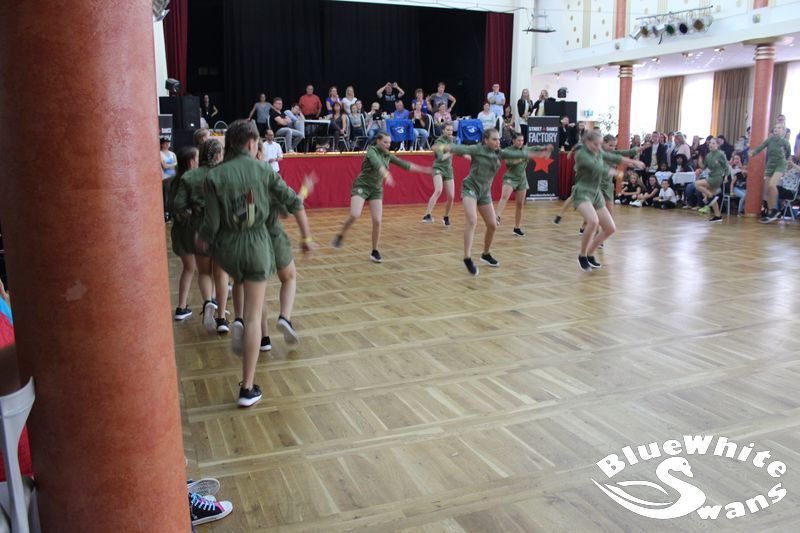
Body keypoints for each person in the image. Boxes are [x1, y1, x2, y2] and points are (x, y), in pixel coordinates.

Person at [199, 119, 311, 407]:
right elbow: (292, 202)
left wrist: (203, 240)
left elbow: (211, 226)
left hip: (227, 249)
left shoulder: (214, 176)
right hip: (256, 245)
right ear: (251, 143)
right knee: (254, 316)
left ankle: (233, 318)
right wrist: (306, 237)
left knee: (238, 284)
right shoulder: (263, 170)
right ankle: (247, 388)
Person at [435, 129, 547, 276]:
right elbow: (459, 148)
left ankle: (486, 254)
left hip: (484, 192)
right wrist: (442, 146)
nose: (497, 142)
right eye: (494, 139)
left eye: (498, 139)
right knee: (472, 220)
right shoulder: (477, 149)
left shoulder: (500, 153)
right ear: (486, 140)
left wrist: (538, 153)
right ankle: (467, 258)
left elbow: (517, 154)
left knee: (493, 225)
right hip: (470, 188)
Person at [253, 143, 316, 352]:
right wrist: (306, 239)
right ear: (259, 153)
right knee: (289, 278)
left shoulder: (233, 175)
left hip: (250, 238)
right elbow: (290, 208)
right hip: (273, 234)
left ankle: (264, 339)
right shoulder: (269, 176)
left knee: (259, 289)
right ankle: (284, 317)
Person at [331, 133, 432, 262]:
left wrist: (425, 170)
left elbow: (405, 165)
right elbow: (378, 164)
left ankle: (375, 251)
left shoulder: (387, 155)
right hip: (362, 186)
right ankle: (341, 235)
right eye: (385, 142)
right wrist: (386, 175)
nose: (388, 145)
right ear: (378, 141)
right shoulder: (371, 151)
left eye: (389, 143)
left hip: (376, 190)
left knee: (377, 221)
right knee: (355, 214)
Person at [570, 130, 644, 271]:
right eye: (595, 144)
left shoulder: (598, 151)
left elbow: (615, 157)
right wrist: (615, 172)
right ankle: (582, 255)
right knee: (593, 222)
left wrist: (633, 161)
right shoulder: (582, 154)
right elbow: (597, 167)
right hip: (582, 192)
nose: (598, 147)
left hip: (595, 193)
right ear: (587, 142)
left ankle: (590, 253)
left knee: (610, 228)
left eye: (599, 144)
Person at [183, 138, 224, 331]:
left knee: (204, 272)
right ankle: (222, 318)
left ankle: (208, 301)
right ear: (218, 154)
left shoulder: (189, 176)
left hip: (199, 229)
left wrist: (191, 213)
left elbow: (177, 204)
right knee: (221, 274)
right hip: (222, 229)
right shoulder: (224, 174)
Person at [495, 132, 552, 236]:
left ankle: (517, 228)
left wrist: (545, 147)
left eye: (522, 140)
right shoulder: (508, 151)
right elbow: (510, 163)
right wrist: (523, 158)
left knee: (520, 204)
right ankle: (497, 216)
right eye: (518, 140)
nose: (521, 142)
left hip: (522, 179)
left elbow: (536, 148)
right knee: (504, 197)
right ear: (513, 141)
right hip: (510, 178)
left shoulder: (526, 149)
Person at [168, 146, 200, 320]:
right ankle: (214, 305)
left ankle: (181, 307)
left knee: (189, 268)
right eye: (197, 158)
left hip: (179, 230)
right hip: (191, 229)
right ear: (191, 162)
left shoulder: (173, 180)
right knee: (206, 270)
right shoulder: (192, 180)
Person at [749, 124, 792, 222]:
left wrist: (784, 160)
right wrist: (753, 153)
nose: (777, 129)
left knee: (772, 185)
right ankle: (770, 212)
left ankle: (776, 209)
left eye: (779, 128)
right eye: (776, 127)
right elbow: (761, 147)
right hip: (770, 165)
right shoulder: (770, 139)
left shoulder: (785, 142)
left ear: (784, 132)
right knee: (768, 189)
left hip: (780, 164)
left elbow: (788, 153)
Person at [422, 124, 457, 226]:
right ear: (443, 131)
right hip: (438, 168)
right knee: (438, 190)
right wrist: (451, 153)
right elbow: (441, 158)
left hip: (448, 169)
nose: (450, 132)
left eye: (451, 130)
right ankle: (427, 215)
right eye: (448, 130)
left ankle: (446, 217)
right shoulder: (439, 142)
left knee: (451, 196)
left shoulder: (451, 141)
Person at [694, 137, 732, 223]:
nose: (711, 145)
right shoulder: (708, 155)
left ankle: (710, 196)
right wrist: (699, 169)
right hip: (711, 177)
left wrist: (726, 176)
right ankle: (718, 216)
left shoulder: (721, 154)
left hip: (717, 178)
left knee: (697, 184)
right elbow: (704, 167)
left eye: (713, 143)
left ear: (718, 145)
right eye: (710, 143)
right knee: (713, 199)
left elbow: (726, 166)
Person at [160, 137, 176, 222]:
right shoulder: (159, 153)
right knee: (166, 197)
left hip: (173, 177)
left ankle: (172, 214)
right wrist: (173, 165)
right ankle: (166, 215)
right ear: (161, 144)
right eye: (165, 143)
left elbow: (176, 165)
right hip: (165, 178)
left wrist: (171, 165)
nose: (167, 144)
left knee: (173, 196)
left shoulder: (172, 154)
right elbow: (164, 166)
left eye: (167, 142)